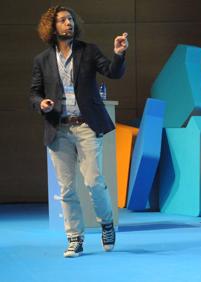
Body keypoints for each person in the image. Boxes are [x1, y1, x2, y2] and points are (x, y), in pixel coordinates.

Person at [30, 6, 129, 258]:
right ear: (52, 27)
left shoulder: (89, 50)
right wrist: (41, 103)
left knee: (93, 181)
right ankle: (75, 238)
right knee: (67, 189)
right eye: (62, 20)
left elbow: (113, 72)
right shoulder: (42, 60)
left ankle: (106, 223)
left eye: (70, 19)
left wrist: (118, 54)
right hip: (58, 128)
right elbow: (34, 92)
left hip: (86, 125)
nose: (68, 24)